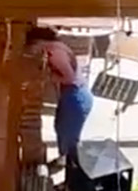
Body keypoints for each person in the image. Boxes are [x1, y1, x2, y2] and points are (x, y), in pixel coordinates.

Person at [25, 25, 92, 171]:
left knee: (69, 139)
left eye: (32, 46)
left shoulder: (55, 53)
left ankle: (73, 177)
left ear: (39, 41)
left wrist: (47, 77)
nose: (32, 50)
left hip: (75, 97)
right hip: (73, 95)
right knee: (61, 129)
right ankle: (65, 161)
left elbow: (68, 77)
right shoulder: (56, 47)